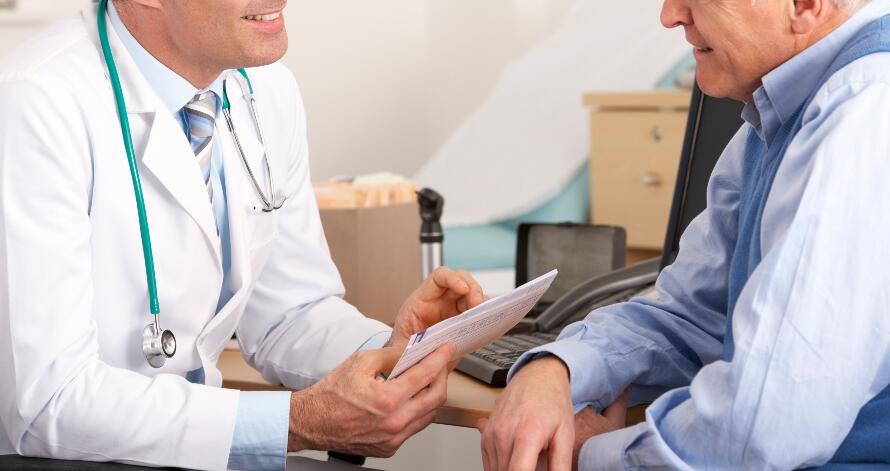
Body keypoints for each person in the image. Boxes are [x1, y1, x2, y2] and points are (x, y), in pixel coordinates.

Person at [0, 1, 484, 470]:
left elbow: (290, 315)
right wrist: (296, 422)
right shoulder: (36, 100)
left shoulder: (266, 90)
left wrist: (393, 351)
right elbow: (50, 401)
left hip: (187, 455)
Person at [480, 0, 890, 469]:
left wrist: (591, 456)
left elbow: (764, 427)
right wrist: (556, 369)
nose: (670, 15)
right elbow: (688, 316)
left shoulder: (863, 111)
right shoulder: (774, 120)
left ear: (804, 5)